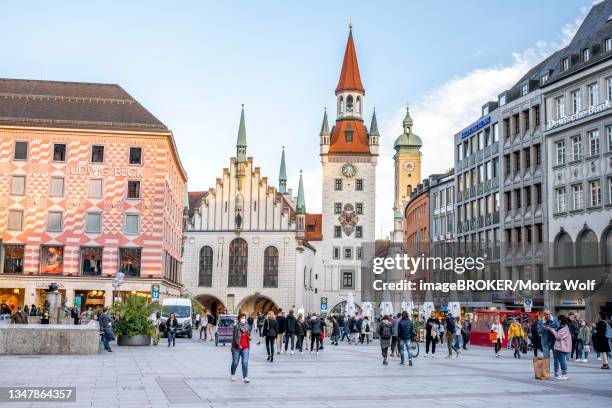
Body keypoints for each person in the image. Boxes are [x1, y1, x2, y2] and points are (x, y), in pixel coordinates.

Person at [547, 314, 571, 379]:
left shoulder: (563, 328)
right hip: (562, 346)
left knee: (562, 360)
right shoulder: (564, 327)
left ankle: (564, 375)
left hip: (562, 347)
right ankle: (564, 374)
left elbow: (558, 337)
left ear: (560, 321)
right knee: (562, 360)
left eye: (558, 320)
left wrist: (551, 330)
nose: (557, 322)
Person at [230, 313, 252, 383]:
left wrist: (250, 337)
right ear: (239, 319)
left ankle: (245, 377)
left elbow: (248, 335)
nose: (243, 319)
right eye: (242, 318)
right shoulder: (236, 327)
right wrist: (238, 344)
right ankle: (233, 374)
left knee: (245, 362)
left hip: (245, 347)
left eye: (244, 318)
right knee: (235, 362)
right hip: (236, 347)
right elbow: (235, 337)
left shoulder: (247, 326)